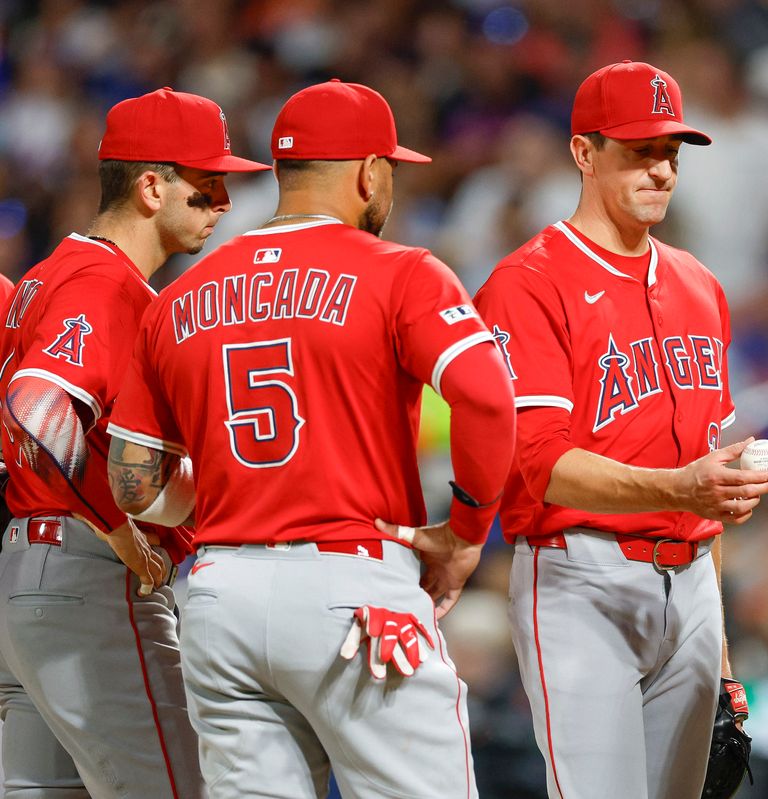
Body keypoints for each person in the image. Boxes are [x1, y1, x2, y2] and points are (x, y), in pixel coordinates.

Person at [105, 79, 516, 799]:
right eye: (390, 167)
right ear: (367, 172)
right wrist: (468, 529)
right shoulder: (402, 271)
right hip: (352, 591)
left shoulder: (177, 299)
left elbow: (131, 483)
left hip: (220, 597)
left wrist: (236, 505)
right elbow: (487, 395)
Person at [473, 59, 768, 799]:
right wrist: (683, 486)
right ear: (584, 152)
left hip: (693, 585)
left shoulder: (700, 286)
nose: (661, 170)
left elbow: (703, 480)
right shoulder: (528, 281)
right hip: (583, 576)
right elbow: (539, 463)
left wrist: (725, 651)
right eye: (639, 150)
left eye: (670, 153)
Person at [0, 88, 268, 798]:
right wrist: (116, 530)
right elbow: (37, 401)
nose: (224, 203)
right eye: (208, 184)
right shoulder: (104, 283)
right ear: (152, 185)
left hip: (30, 573)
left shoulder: (42, 277)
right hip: (87, 581)